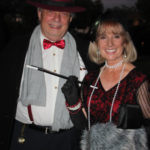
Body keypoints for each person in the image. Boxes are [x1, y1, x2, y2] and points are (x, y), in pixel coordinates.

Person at [0, 0, 89, 150]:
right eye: (50, 11)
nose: (57, 18)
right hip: (26, 138)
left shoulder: (86, 51)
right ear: (39, 14)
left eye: (64, 14)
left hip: (69, 140)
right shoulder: (16, 48)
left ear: (70, 18)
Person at [62, 11, 150, 150]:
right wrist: (73, 102)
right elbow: (82, 124)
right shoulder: (91, 78)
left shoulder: (137, 79)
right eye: (103, 37)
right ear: (96, 43)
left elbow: (148, 122)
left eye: (116, 36)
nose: (110, 43)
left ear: (125, 41)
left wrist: (135, 121)